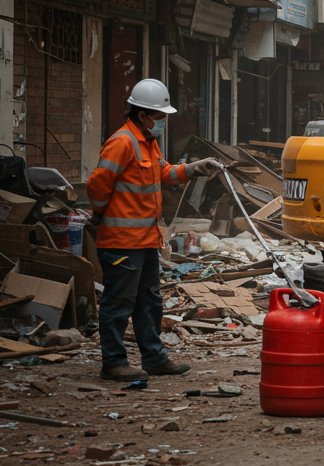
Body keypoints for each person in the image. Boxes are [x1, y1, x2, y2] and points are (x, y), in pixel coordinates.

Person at [87, 78, 223, 382]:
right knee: (118, 303)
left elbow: (163, 172)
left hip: (146, 240)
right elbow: (97, 185)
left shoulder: (147, 141)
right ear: (142, 114)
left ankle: (154, 358)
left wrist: (193, 169)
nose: (163, 122)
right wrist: (100, 214)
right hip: (122, 242)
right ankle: (114, 362)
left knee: (149, 301)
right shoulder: (122, 142)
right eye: (160, 117)